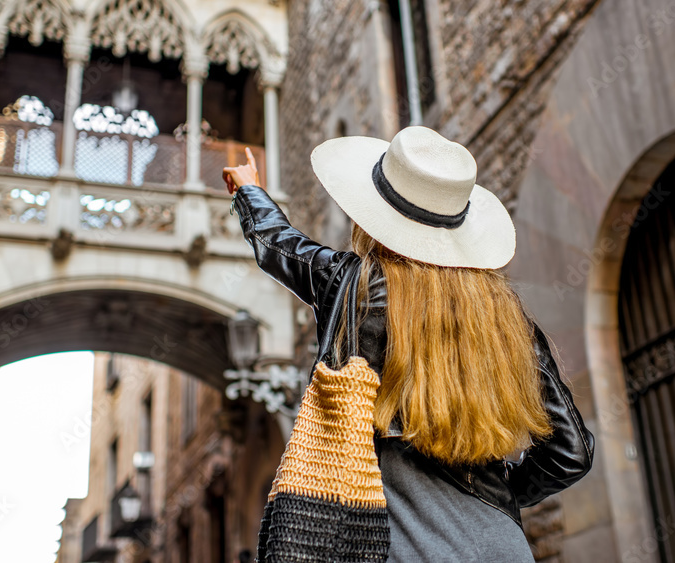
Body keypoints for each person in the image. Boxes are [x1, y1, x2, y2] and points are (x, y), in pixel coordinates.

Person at [223, 126, 594, 562]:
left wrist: (249, 191)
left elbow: (281, 246)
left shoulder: (354, 285)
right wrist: (498, 492)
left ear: (373, 214)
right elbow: (572, 453)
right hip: (501, 547)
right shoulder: (505, 317)